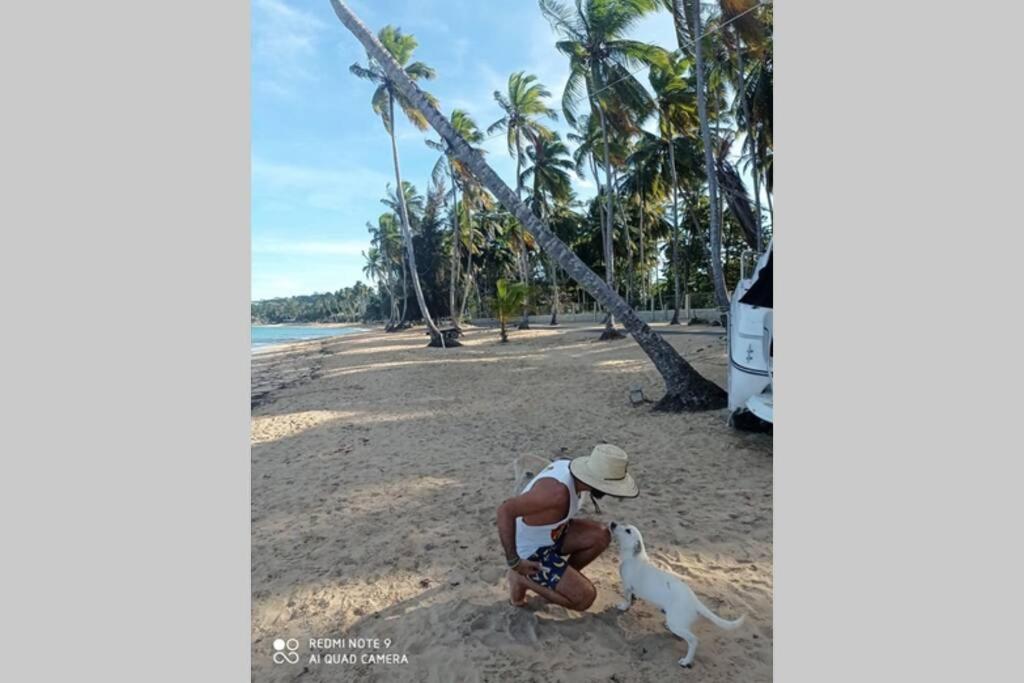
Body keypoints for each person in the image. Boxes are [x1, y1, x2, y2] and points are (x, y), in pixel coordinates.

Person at [496, 444, 639, 610]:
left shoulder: (572, 472)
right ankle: (520, 579)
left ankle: (558, 581)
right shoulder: (556, 494)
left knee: (601, 535)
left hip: (554, 534)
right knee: (585, 598)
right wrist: (514, 561)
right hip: (531, 550)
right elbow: (505, 510)